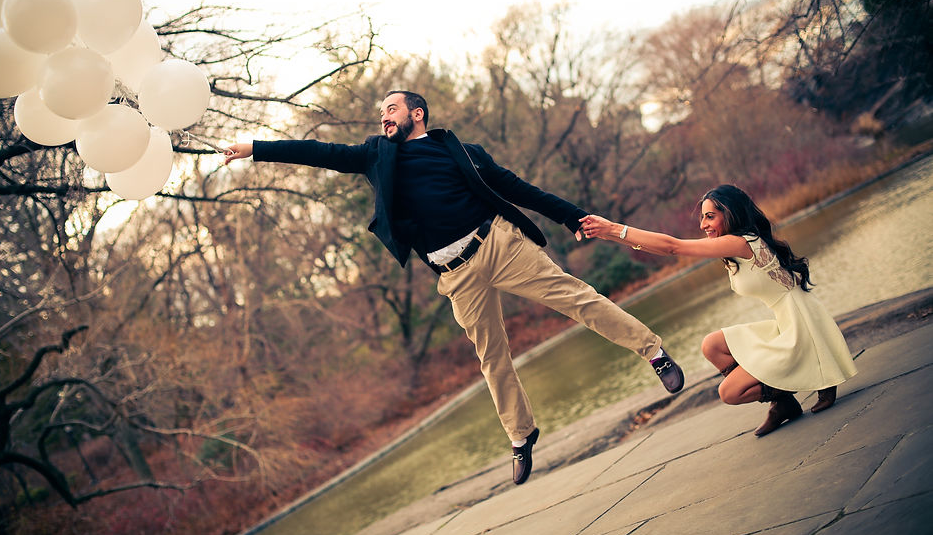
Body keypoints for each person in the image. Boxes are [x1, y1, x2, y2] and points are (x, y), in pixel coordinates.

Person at [223, 90, 684, 485]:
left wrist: (570, 215)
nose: (383, 117)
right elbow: (316, 151)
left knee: (577, 298)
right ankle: (522, 436)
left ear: (416, 114)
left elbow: (517, 188)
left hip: (498, 244)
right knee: (491, 355)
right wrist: (252, 147)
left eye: (391, 109)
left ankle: (653, 352)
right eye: (380, 112)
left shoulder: (461, 151)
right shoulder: (374, 155)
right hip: (455, 274)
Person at [580, 184, 857, 437]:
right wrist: (612, 236)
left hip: (802, 329)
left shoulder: (740, 242)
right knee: (712, 345)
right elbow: (667, 249)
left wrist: (614, 228)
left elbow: (672, 247)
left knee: (730, 392)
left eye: (710, 216)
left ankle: (804, 380)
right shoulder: (737, 244)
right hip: (786, 322)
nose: (703, 224)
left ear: (731, 213)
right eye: (703, 217)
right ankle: (782, 402)